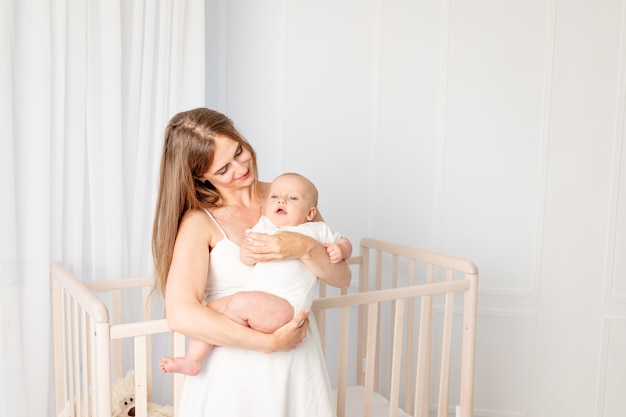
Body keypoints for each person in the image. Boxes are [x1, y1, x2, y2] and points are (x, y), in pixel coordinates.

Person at [152, 108, 352, 417]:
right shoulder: (199, 222)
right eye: (223, 169)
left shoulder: (290, 197)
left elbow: (342, 279)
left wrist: (303, 247)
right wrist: (268, 342)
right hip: (232, 378)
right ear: (199, 175)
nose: (240, 168)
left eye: (239, 151)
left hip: (296, 365)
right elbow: (181, 315)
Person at [159, 172, 352, 376]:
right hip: (259, 305)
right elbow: (246, 257)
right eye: (275, 197)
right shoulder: (264, 225)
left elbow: (343, 247)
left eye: (292, 198)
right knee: (212, 309)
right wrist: (248, 252)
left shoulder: (315, 229)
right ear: (202, 174)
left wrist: (340, 249)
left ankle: (214, 342)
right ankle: (193, 359)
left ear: (310, 212)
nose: (282, 200)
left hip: (286, 306)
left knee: (240, 302)